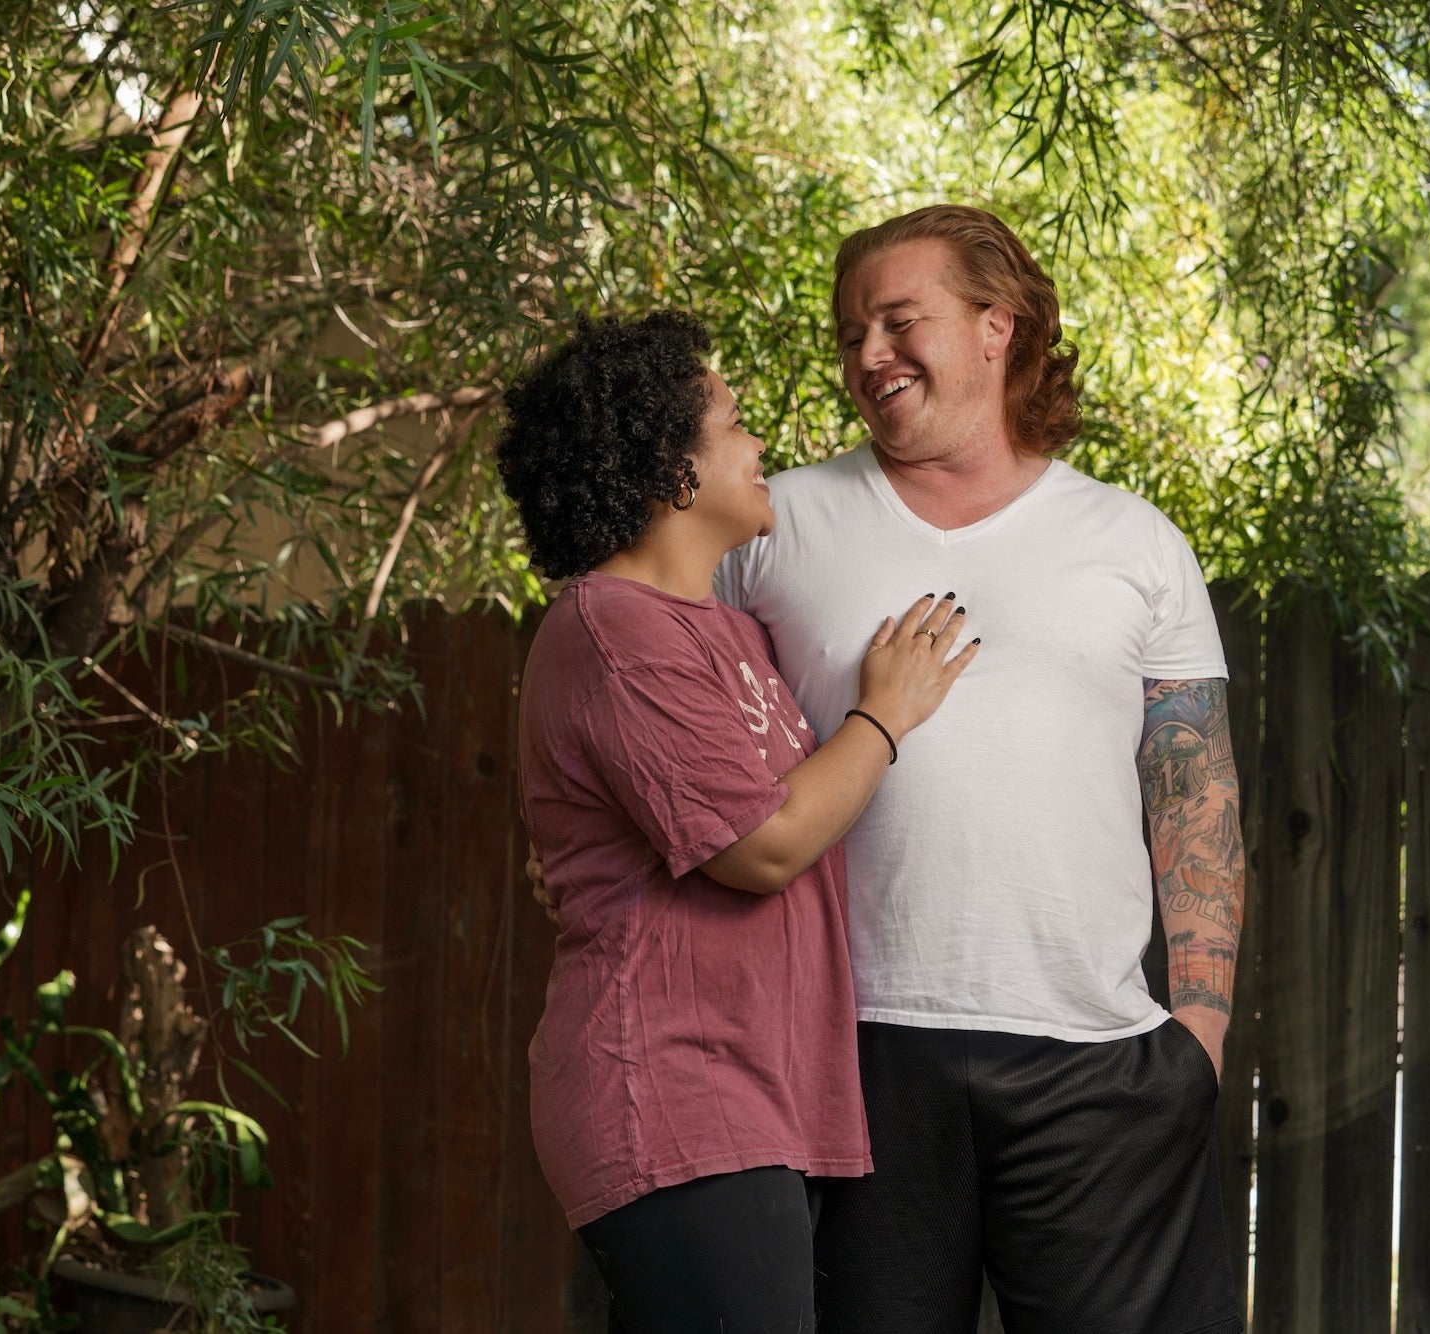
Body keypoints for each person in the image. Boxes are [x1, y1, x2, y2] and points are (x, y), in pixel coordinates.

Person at [710, 205, 1246, 1333]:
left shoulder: (1133, 543)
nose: (867, 355)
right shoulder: (769, 527)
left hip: (1093, 1064)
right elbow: (683, 746)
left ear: (997, 327)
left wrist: (1194, 1039)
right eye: (851, 332)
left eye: (900, 321)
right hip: (842, 1059)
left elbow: (1192, 792)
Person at [495, 311, 980, 1334]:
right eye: (733, 423)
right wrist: (882, 714)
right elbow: (760, 846)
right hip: (668, 1083)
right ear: (671, 468)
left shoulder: (725, 629)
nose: (759, 446)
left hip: (755, 1092)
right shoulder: (611, 628)